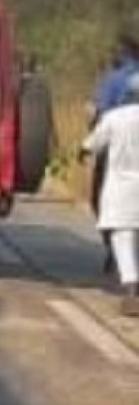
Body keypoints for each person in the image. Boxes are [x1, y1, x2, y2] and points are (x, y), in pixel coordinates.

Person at [82, 73, 139, 317]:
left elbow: (92, 144)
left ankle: (130, 291)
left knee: (123, 238)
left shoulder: (115, 118)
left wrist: (82, 152)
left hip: (121, 188)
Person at [91, 37, 139, 271]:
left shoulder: (113, 78)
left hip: (116, 146)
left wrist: (90, 143)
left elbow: (100, 113)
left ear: (124, 53)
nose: (113, 55)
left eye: (115, 51)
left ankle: (114, 249)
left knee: (102, 199)